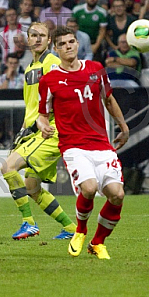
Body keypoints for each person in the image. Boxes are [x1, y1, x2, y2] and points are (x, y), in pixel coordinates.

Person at [37, 26, 130, 259]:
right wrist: (43, 126)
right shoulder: (49, 80)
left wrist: (124, 127)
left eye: (72, 42)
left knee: (117, 194)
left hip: (101, 144)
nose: (68, 46)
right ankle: (80, 231)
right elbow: (41, 114)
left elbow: (108, 100)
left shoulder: (96, 69)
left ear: (78, 44)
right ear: (55, 49)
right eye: (63, 44)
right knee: (88, 188)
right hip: (73, 146)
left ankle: (97, 243)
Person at [0, 22, 78, 240]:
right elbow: (31, 106)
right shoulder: (30, 68)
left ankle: (28, 223)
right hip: (34, 131)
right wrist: (23, 130)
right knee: (32, 187)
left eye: (42, 35)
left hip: (49, 131)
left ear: (49, 40)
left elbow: (58, 96)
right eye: (33, 35)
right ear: (28, 39)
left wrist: (36, 125)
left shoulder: (52, 62)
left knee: (8, 167)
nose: (37, 39)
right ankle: (71, 228)